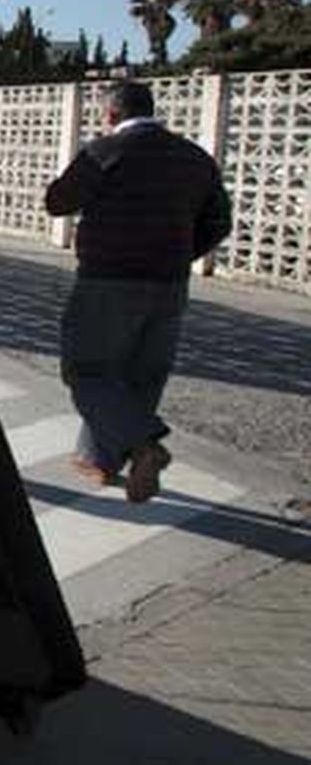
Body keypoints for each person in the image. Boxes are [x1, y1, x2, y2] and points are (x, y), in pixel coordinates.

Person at [45, 81, 231, 503]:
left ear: (111, 114)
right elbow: (219, 221)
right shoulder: (194, 157)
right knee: (142, 374)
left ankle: (144, 446)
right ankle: (100, 459)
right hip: (169, 283)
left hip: (107, 279)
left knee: (88, 371)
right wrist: (180, 253)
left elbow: (58, 201)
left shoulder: (105, 151)